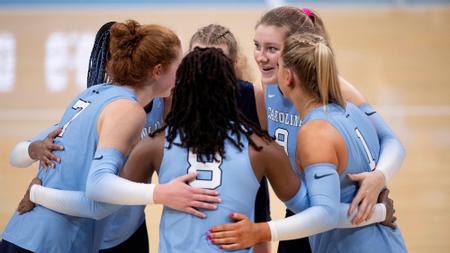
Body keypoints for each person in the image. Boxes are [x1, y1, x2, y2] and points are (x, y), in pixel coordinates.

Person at [1, 20, 220, 253]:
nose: (183, 71)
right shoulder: (128, 109)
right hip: (53, 241)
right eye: (179, 64)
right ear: (157, 70)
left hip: (28, 235)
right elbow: (97, 194)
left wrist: (38, 193)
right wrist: (161, 193)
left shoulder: (93, 94)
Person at [208, 33, 407, 252]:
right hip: (386, 241)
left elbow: (325, 214)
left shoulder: (315, 132)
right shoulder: (350, 109)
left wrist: (260, 231)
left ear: (289, 76)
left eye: (279, 65)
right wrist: (379, 212)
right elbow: (321, 204)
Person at [188, 23, 271, 253]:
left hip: (246, 202)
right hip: (198, 200)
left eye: (217, 59)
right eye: (198, 57)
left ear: (234, 64)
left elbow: (266, 166)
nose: (206, 67)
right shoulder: (178, 100)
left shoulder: (254, 96)